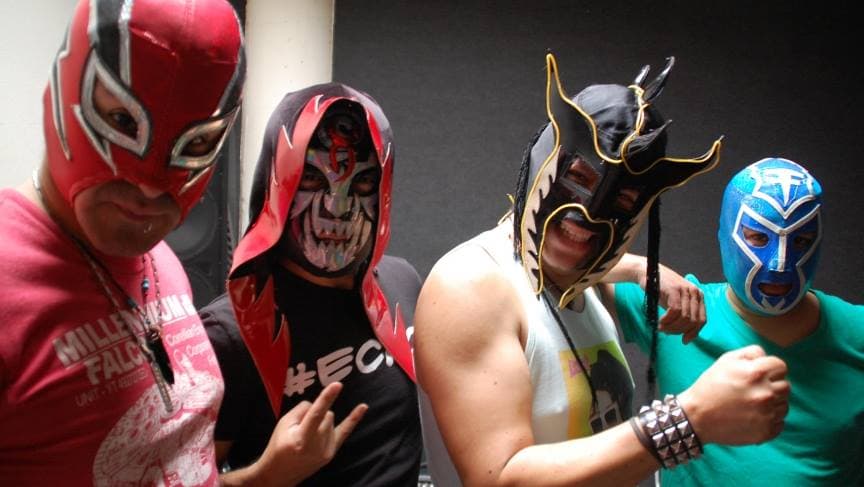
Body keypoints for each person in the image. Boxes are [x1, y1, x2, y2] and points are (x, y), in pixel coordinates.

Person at [415, 53, 792, 486]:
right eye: (578, 178)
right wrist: (688, 420)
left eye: (623, 201)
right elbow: (500, 478)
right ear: (546, 163)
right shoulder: (469, 286)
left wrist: (639, 270)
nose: (587, 218)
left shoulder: (584, 284)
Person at [0, 1, 334, 484]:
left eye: (196, 144)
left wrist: (266, 474)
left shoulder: (158, 261)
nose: (151, 186)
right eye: (121, 120)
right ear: (63, 86)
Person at [200, 83, 423, 485]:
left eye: (362, 184)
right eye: (314, 180)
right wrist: (267, 476)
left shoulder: (401, 283)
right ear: (278, 181)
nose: (336, 208)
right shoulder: (229, 334)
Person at [608, 157, 864, 486]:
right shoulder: (678, 309)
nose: (779, 262)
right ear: (726, 234)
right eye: (758, 237)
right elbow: (539, 251)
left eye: (800, 240)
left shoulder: (856, 332)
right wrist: (641, 268)